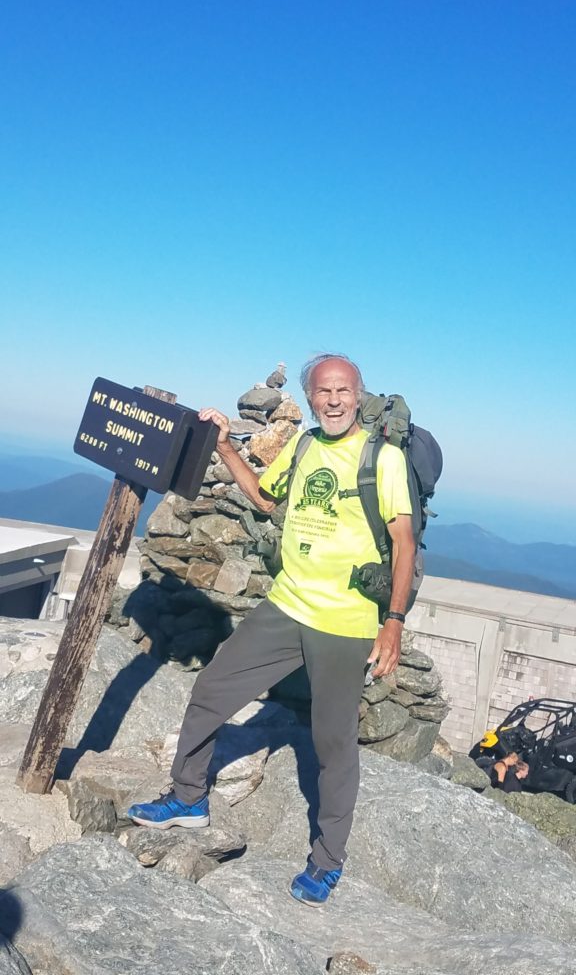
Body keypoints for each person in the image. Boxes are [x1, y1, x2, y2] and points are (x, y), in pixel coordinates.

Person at [128, 353, 415, 906]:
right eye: (323, 392)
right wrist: (227, 448)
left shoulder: (384, 459)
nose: (333, 400)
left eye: (344, 391)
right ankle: (189, 798)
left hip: (346, 620)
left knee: (333, 743)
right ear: (310, 398)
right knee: (212, 690)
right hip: (287, 606)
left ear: (359, 395)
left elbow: (403, 542)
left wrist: (394, 623)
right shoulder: (305, 445)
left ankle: (328, 860)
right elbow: (265, 498)